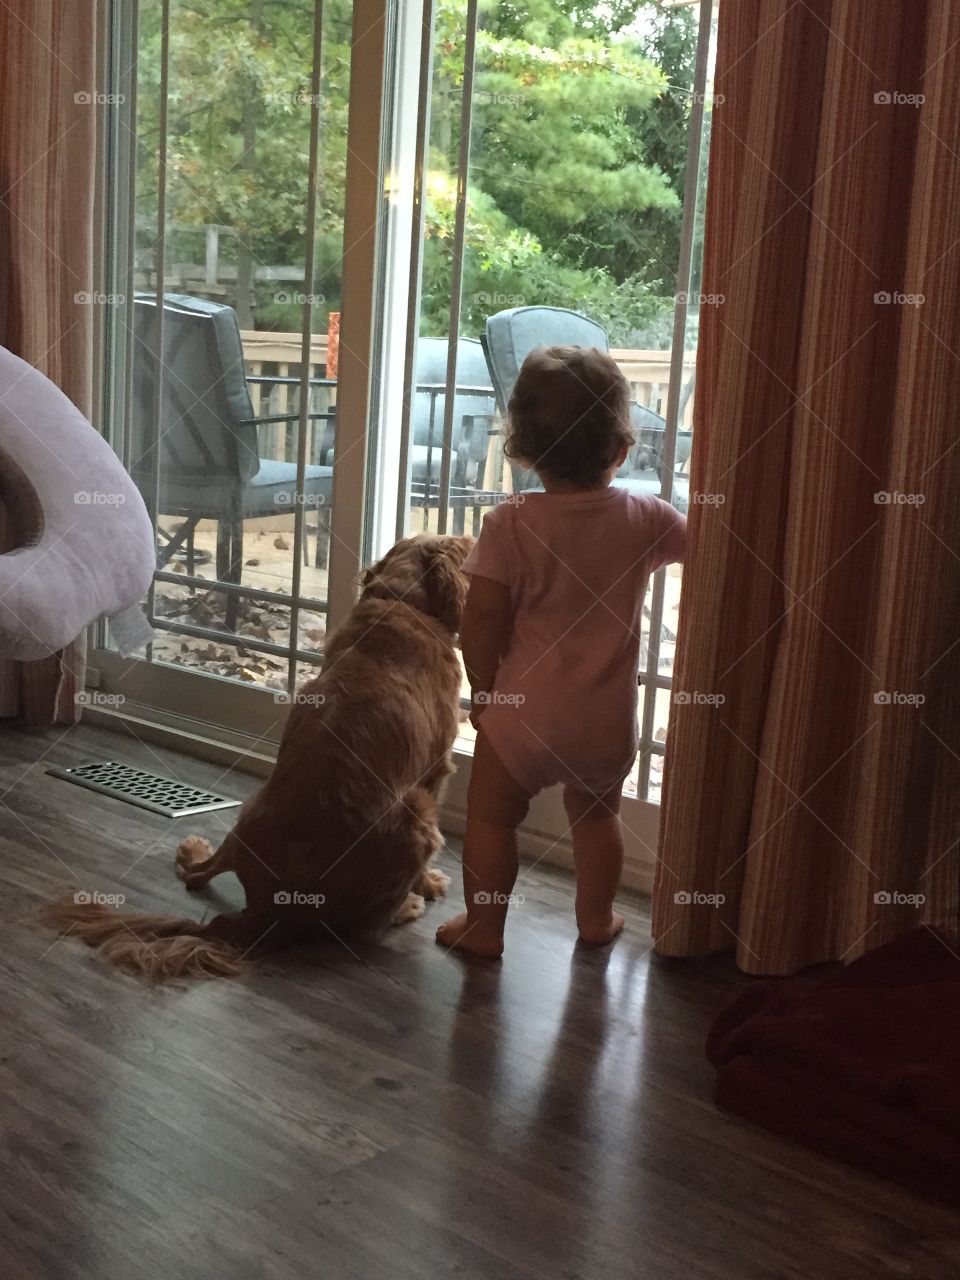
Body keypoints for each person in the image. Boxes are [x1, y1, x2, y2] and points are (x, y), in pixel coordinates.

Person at [436, 345, 686, 959]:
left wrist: (487, 688)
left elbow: (483, 619)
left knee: (493, 820)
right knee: (597, 819)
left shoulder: (511, 524)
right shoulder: (647, 517)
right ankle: (596, 920)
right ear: (622, 449)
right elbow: (708, 551)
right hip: (605, 721)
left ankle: (485, 929)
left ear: (523, 450)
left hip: (523, 716)